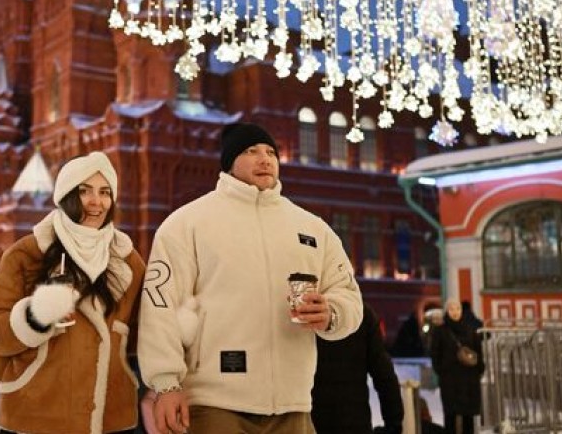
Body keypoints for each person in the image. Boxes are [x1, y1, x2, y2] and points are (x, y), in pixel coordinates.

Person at [138, 122, 363, 434]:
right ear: (230, 162)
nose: (265, 159)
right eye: (251, 151)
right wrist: (165, 384)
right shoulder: (187, 224)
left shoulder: (312, 228)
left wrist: (332, 312)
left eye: (271, 152)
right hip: (212, 403)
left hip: (293, 403)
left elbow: (347, 292)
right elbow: (160, 308)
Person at [0, 151, 147, 434]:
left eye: (105, 192)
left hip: (110, 419)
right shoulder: (27, 253)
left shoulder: (128, 261)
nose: (97, 202)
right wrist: (35, 316)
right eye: (85, 191)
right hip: (36, 413)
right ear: (66, 195)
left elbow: (144, 336)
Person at [311, 304, 403, 434]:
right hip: (354, 421)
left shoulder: (302, 314)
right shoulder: (360, 313)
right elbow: (384, 376)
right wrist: (394, 423)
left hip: (309, 420)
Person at [430, 298, 484, 434]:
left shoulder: (470, 328)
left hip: (468, 378)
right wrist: (441, 371)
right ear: (447, 311)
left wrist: (479, 369)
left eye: (457, 309)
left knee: (468, 417)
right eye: (451, 309)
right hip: (450, 380)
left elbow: (478, 351)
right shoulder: (441, 331)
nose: (455, 312)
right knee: (450, 415)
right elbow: (435, 353)